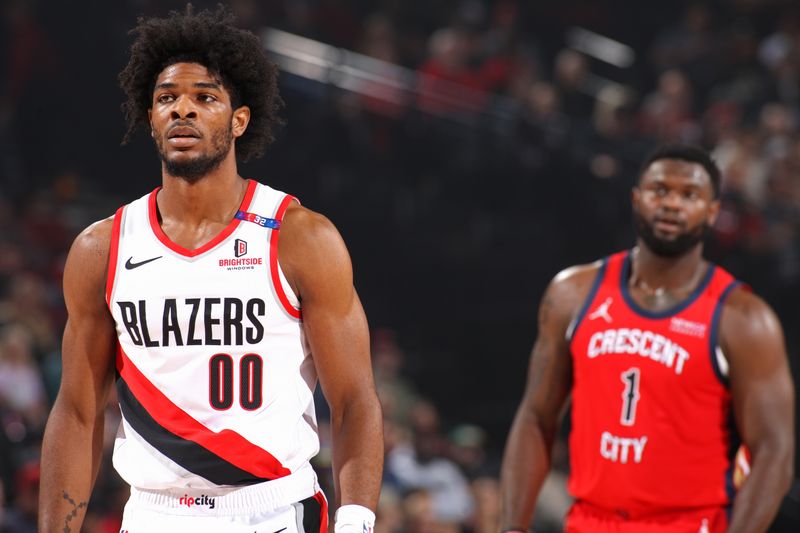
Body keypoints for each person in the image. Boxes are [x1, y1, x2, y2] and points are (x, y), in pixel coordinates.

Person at [38, 6, 383, 533]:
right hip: (152, 512)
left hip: (271, 510)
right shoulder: (102, 248)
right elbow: (77, 411)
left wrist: (356, 520)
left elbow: (355, 399)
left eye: (205, 97)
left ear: (238, 120)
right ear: (148, 117)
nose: (183, 111)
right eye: (167, 98)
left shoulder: (300, 237)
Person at [499, 144, 795, 533]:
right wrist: (512, 527)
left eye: (689, 195)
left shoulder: (743, 319)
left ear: (712, 211)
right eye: (660, 190)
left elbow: (775, 452)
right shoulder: (572, 293)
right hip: (590, 520)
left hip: (690, 523)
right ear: (636, 199)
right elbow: (537, 417)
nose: (672, 204)